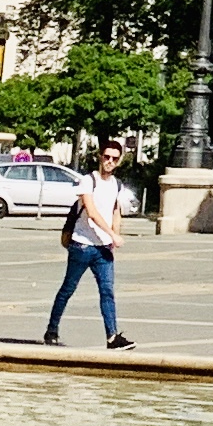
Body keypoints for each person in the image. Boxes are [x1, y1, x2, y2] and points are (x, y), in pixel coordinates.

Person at [45, 141, 135, 350]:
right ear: (100, 157)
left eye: (114, 158)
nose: (109, 161)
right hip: (82, 245)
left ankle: (112, 337)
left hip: (103, 249)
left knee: (107, 291)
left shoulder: (116, 184)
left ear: (119, 161)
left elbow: (115, 211)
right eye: (106, 157)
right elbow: (92, 212)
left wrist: (114, 236)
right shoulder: (88, 181)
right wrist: (112, 234)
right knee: (68, 289)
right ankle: (52, 329)